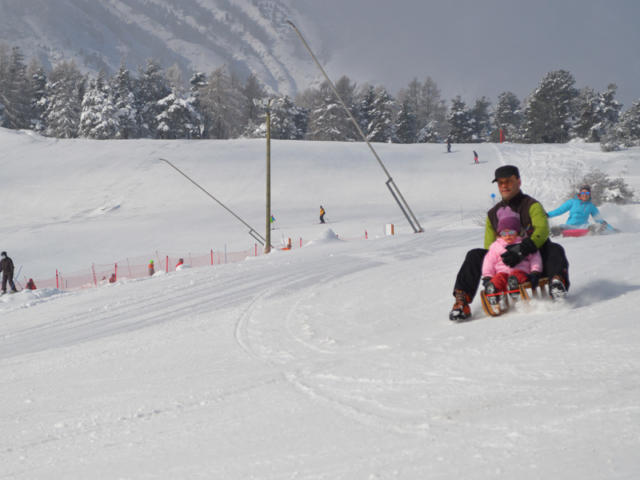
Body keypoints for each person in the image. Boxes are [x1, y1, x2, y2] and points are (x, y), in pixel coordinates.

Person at [449, 165, 570, 321]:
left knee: (553, 248)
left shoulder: (531, 205)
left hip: (532, 263)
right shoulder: (493, 214)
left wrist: (523, 249)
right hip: (504, 266)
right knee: (474, 255)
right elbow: (489, 246)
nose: (504, 186)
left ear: (518, 182)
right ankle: (461, 301)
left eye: (509, 181)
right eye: (500, 183)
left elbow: (542, 230)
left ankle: (557, 283)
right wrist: (492, 271)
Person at [481, 214, 542, 307]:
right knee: (498, 278)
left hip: (521, 271)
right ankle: (493, 292)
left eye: (511, 232)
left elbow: (535, 258)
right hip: (502, 272)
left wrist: (535, 271)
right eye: (504, 233)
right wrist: (487, 276)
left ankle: (514, 285)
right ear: (500, 234)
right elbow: (489, 262)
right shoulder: (496, 246)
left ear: (517, 232)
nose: (508, 236)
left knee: (516, 275)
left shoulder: (523, 244)